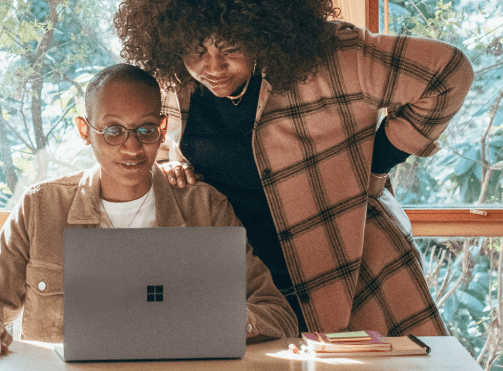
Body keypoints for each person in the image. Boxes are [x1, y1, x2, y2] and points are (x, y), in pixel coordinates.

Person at [114, 0, 474, 336]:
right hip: (248, 295)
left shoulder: (336, 57)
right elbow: (161, 146)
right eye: (196, 51)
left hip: (354, 278)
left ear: (262, 29)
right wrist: (169, 165)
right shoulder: (173, 84)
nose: (212, 67)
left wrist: (377, 163)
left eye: (230, 47)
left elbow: (448, 74)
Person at [0, 63, 298, 358]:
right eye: (113, 130)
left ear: (162, 130)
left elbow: (278, 314)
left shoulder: (203, 207)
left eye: (145, 130)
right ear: (86, 131)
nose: (131, 146)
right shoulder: (41, 207)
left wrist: (216, 322)